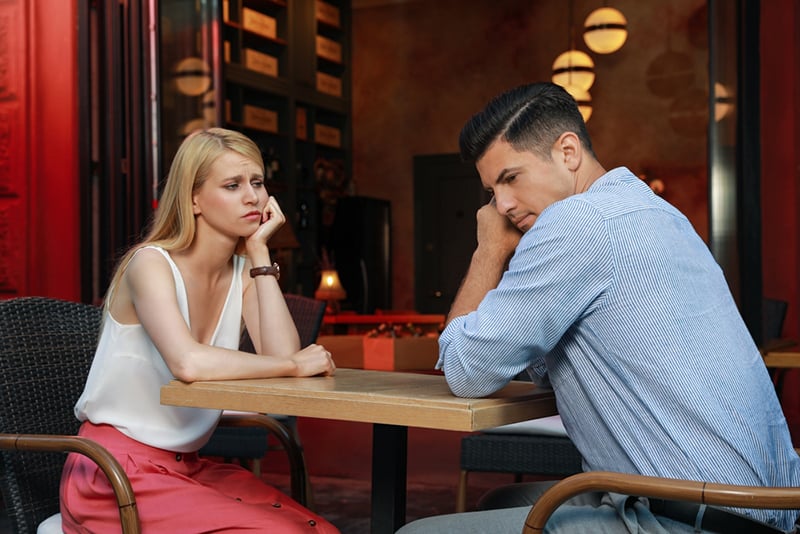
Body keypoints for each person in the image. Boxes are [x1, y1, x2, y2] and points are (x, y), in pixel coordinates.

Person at [397, 82, 800, 534]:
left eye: (510, 179)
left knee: (415, 533)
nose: (501, 206)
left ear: (568, 152)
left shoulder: (576, 223)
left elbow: (466, 371)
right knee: (503, 500)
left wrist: (487, 251)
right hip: (763, 508)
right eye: (491, 192)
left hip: (687, 515)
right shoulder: (654, 211)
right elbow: (538, 364)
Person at [60, 127, 339, 533]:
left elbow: (282, 363)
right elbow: (188, 362)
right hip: (114, 477)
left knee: (320, 530)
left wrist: (260, 252)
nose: (253, 197)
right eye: (232, 185)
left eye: (257, 183)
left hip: (186, 467)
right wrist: (293, 366)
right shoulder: (150, 263)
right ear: (193, 199)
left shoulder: (243, 270)